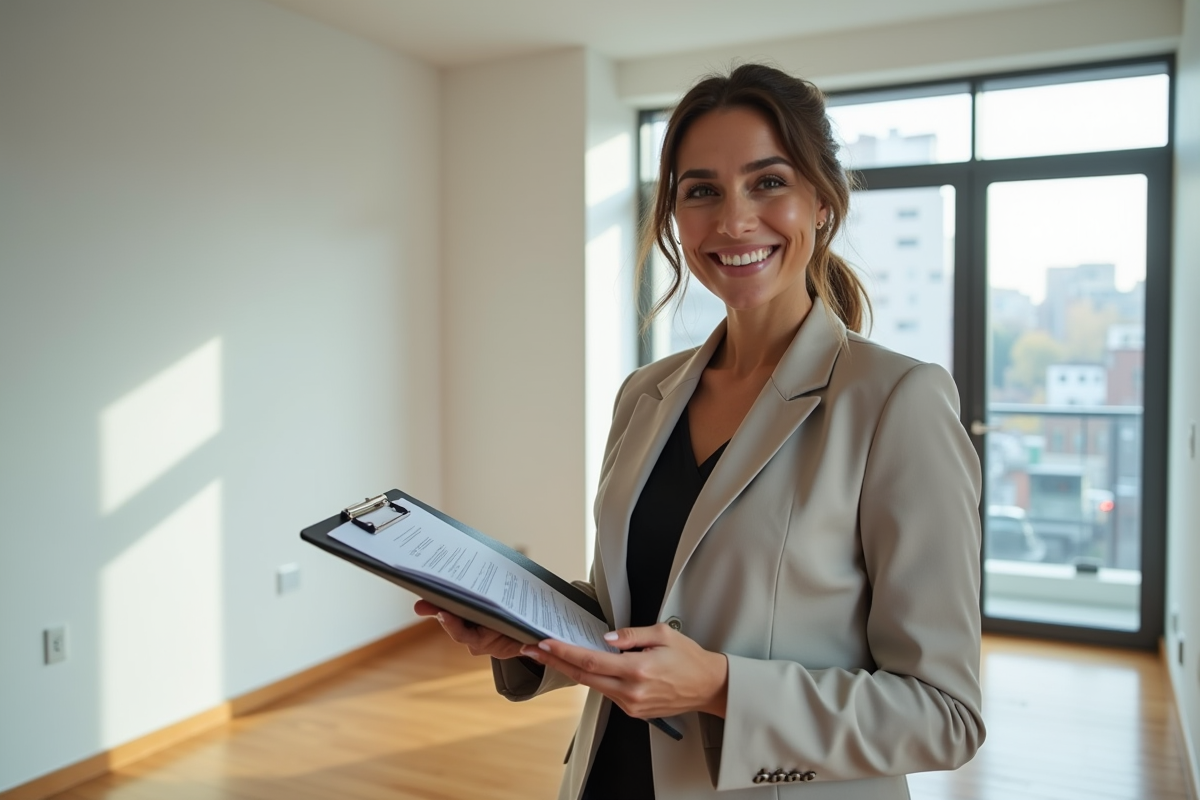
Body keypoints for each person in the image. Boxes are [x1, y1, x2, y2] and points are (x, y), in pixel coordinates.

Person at [416, 63, 985, 799]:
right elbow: (639, 612)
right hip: (608, 777)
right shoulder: (644, 395)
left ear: (822, 202)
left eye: (768, 182)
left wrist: (721, 687)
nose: (734, 220)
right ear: (674, 217)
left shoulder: (896, 400)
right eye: (702, 191)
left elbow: (945, 716)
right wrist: (526, 638)